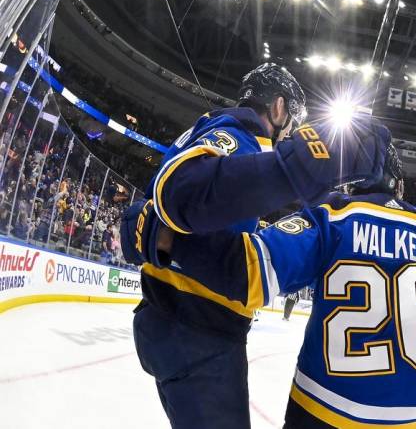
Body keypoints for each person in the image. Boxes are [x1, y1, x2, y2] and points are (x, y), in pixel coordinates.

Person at [123, 146, 416, 428]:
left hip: (322, 411)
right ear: (397, 182)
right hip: (411, 413)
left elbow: (246, 272)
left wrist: (163, 236)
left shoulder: (327, 219)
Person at [121, 63, 389, 429]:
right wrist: (297, 167)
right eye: (293, 117)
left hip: (180, 326)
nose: (292, 129)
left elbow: (188, 215)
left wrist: (164, 239)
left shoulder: (223, 134)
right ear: (278, 108)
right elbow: (182, 193)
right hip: (197, 331)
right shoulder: (242, 133)